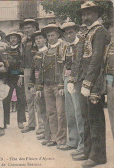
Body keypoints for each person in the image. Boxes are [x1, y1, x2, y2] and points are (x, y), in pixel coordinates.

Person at [68, 2, 111, 167]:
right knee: (85, 117)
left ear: (96, 14)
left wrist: (88, 82)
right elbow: (78, 57)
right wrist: (73, 78)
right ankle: (87, 150)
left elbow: (97, 59)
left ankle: (98, 155)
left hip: (95, 81)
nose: (85, 17)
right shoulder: (85, 33)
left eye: (89, 14)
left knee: (95, 119)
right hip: (82, 80)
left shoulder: (100, 32)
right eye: (83, 15)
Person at [36, 23, 67, 148]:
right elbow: (40, 71)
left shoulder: (63, 47)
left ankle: (61, 140)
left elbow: (63, 68)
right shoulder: (45, 52)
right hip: (47, 86)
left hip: (58, 85)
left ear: (58, 35)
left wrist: (61, 84)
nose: (50, 38)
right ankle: (53, 138)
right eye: (48, 36)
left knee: (60, 113)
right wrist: (39, 87)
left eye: (52, 35)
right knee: (51, 113)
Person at [60, 22, 84, 154]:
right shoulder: (65, 47)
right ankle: (73, 141)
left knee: (78, 111)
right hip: (66, 78)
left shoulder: (81, 45)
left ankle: (82, 143)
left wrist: (74, 79)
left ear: (76, 31)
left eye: (71, 32)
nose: (69, 35)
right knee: (69, 111)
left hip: (77, 80)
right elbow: (64, 64)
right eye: (66, 33)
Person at [3, 31, 27, 129]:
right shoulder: (6, 50)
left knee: (21, 99)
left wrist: (21, 76)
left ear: (18, 39)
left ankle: (20, 121)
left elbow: (23, 62)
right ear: (9, 40)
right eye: (11, 38)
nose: (13, 40)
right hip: (8, 78)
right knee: (6, 99)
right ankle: (4, 121)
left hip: (19, 77)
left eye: (15, 38)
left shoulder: (21, 49)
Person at [20, 19, 39, 134]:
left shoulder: (39, 38)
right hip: (27, 70)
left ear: (35, 28)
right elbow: (22, 58)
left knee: (39, 98)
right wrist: (21, 74)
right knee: (29, 98)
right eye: (25, 28)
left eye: (29, 27)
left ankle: (42, 126)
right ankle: (31, 124)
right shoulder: (23, 41)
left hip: (38, 70)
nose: (27, 30)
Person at [30, 31, 48, 141]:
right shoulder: (36, 55)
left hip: (47, 83)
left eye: (40, 38)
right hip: (38, 84)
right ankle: (42, 129)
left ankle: (48, 131)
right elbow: (33, 71)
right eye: (36, 39)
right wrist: (32, 85)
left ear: (45, 40)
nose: (38, 40)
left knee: (48, 108)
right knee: (40, 107)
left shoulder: (48, 51)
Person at [104, 19, 114, 139]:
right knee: (111, 111)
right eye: (111, 28)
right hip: (110, 82)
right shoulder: (107, 47)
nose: (112, 31)